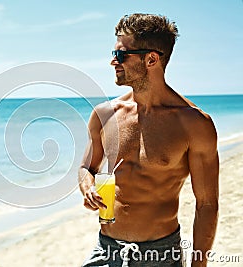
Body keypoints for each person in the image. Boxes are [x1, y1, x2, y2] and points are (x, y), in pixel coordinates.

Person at [79, 13, 219, 267]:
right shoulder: (104, 115)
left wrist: (199, 265)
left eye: (121, 54)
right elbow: (86, 168)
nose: (113, 61)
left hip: (161, 255)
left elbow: (207, 204)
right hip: (106, 251)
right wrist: (87, 186)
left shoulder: (194, 124)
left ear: (152, 59)